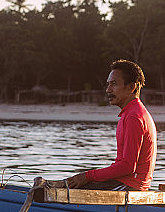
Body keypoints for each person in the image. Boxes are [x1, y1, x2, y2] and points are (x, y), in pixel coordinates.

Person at [63, 59, 157, 191]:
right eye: (108, 85)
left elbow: (128, 166)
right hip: (122, 183)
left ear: (131, 87)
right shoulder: (131, 113)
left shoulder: (134, 117)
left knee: (68, 190)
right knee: (68, 185)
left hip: (129, 188)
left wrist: (87, 176)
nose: (108, 90)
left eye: (113, 84)